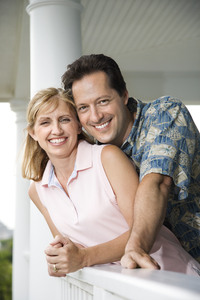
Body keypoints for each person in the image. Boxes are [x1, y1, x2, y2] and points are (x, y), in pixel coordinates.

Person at [22, 87, 200, 277]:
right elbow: (70, 248)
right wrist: (59, 260)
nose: (56, 130)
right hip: (119, 288)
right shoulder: (38, 191)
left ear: (78, 125)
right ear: (33, 132)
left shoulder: (107, 158)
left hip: (171, 276)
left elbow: (144, 231)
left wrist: (83, 257)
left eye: (64, 119)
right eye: (45, 122)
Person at [61, 54, 200, 270]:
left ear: (124, 95)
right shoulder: (94, 152)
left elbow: (157, 182)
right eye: (83, 108)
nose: (96, 116)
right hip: (172, 270)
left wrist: (135, 248)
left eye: (103, 101)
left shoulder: (164, 114)